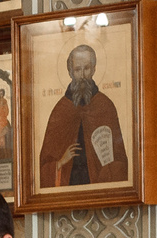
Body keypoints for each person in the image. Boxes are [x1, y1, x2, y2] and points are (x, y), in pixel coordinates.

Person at [37, 42, 127, 192]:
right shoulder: (60, 110)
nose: (83, 75)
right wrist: (60, 162)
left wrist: (108, 169)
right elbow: (45, 164)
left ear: (94, 69)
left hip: (100, 188)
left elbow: (120, 160)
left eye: (87, 68)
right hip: (68, 189)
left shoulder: (105, 106)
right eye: (78, 70)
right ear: (70, 72)